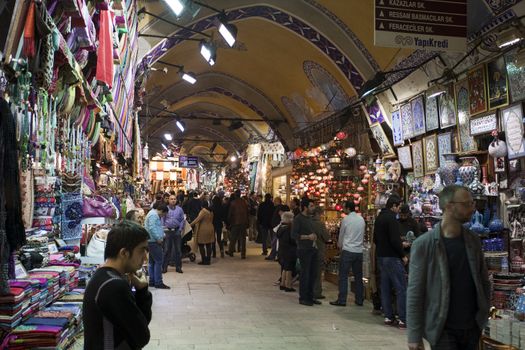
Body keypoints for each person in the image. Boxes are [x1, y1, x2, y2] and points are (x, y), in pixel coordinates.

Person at [407, 185, 490, 350]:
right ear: (450, 206)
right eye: (467, 204)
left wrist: (482, 316)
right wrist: (414, 336)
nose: (472, 208)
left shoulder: (473, 241)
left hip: (471, 327)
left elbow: (483, 281)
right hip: (442, 329)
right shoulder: (424, 244)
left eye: (472, 203)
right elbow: (415, 292)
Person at [83, 222, 152, 349]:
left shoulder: (103, 277)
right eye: (142, 250)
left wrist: (141, 289)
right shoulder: (114, 286)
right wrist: (143, 292)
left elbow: (137, 325)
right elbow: (141, 335)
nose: (145, 257)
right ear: (124, 253)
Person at [374, 194, 406, 328]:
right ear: (393, 206)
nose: (399, 210)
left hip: (381, 257)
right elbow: (394, 240)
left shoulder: (379, 218)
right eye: (398, 207)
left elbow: (375, 239)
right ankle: (403, 319)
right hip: (392, 257)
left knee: (385, 288)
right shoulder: (392, 219)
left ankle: (388, 316)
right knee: (401, 288)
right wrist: (402, 254)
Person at [330, 201, 366, 307]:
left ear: (347, 208)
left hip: (348, 250)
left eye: (344, 208)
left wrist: (339, 245)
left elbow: (342, 235)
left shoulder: (346, 219)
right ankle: (359, 299)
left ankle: (342, 299)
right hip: (359, 251)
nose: (343, 209)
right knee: (358, 276)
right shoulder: (361, 219)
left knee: (343, 276)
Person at [291, 198, 319, 306]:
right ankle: (303, 297)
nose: (313, 208)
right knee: (305, 274)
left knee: (313, 274)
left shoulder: (311, 219)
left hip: (313, 249)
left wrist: (314, 236)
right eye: (311, 206)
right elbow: (294, 235)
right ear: (305, 207)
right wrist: (308, 237)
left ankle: (310, 296)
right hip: (304, 250)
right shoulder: (298, 219)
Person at [144, 202, 170, 289]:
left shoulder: (152, 213)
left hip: (151, 241)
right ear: (162, 211)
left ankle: (152, 281)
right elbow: (152, 228)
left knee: (152, 262)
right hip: (154, 241)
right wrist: (158, 238)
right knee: (159, 261)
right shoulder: (154, 215)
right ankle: (158, 282)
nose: (162, 216)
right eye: (163, 214)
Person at [311, 206, 331, 300]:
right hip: (318, 250)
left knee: (309, 271)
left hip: (308, 250)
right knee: (318, 272)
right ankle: (317, 292)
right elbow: (326, 237)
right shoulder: (320, 224)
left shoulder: (308, 222)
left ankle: (309, 290)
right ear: (318, 214)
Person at [162, 195, 185, 274]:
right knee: (166, 250)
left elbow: (182, 219)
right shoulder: (166, 209)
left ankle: (178, 267)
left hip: (176, 231)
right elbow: (162, 219)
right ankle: (164, 267)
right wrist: (162, 229)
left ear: (176, 200)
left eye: (174, 199)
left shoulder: (180, 209)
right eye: (171, 199)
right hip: (167, 231)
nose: (173, 200)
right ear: (168, 200)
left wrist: (181, 229)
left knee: (178, 250)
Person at [277, 211, 296, 292]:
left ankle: (282, 284)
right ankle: (288, 285)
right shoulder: (289, 228)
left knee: (284, 267)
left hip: (282, 250)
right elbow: (292, 240)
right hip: (289, 250)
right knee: (289, 268)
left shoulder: (280, 227)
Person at [227, 190, 249, 259]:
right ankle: (243, 254)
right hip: (243, 222)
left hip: (235, 222)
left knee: (233, 238)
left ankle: (231, 251)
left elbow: (230, 213)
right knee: (243, 239)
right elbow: (247, 212)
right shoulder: (244, 202)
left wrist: (229, 221)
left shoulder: (233, 203)